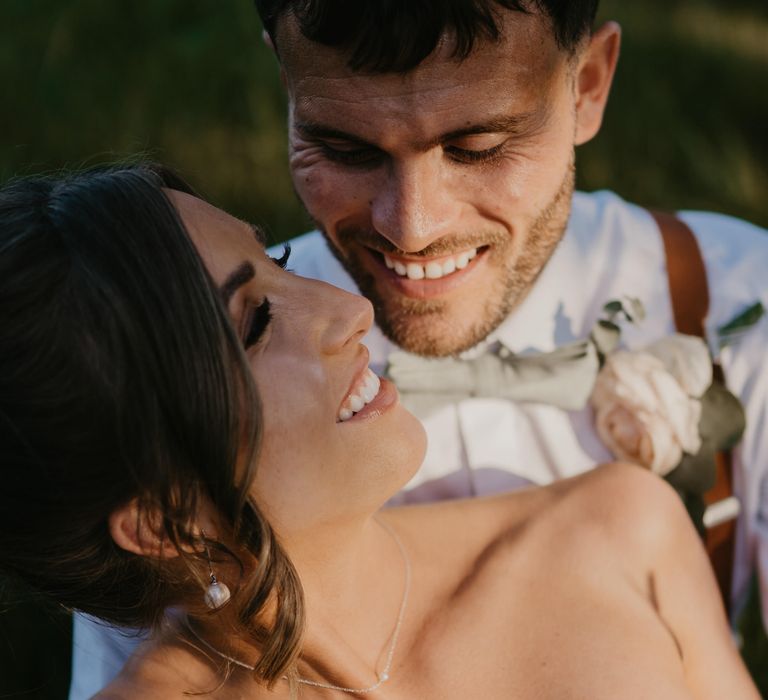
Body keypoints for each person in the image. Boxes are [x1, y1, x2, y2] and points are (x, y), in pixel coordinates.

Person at [70, 1, 768, 696]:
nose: (411, 228)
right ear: (288, 84)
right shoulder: (165, 359)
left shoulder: (738, 303)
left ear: (587, 85)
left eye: (480, 147)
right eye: (346, 148)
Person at [0, 165, 760, 699]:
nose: (346, 309)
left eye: (276, 260)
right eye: (258, 322)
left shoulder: (622, 533)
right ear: (163, 518)